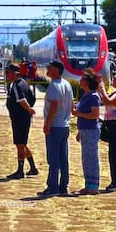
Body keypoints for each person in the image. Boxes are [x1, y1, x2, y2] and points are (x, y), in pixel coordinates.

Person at [37, 60, 73, 197]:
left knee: (53, 159)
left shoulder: (53, 85)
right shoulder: (67, 84)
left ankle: (52, 187)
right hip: (65, 125)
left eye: (50, 67)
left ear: (56, 70)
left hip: (55, 126)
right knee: (63, 158)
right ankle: (63, 186)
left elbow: (54, 104)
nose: (47, 69)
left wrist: (47, 123)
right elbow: (71, 104)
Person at [4, 63, 38, 179]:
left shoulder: (17, 85)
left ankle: (20, 170)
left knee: (20, 145)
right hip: (21, 118)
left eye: (8, 72)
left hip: (20, 119)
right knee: (22, 144)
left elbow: (22, 100)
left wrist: (29, 109)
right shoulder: (23, 83)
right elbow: (32, 97)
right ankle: (33, 168)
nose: (6, 75)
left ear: (15, 73)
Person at [72, 69, 102, 195]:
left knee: (91, 158)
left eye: (82, 79)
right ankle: (88, 184)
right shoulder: (86, 95)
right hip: (85, 130)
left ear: (88, 82)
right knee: (86, 159)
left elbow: (95, 115)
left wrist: (78, 113)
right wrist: (80, 131)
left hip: (91, 130)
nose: (80, 81)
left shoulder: (93, 96)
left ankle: (94, 185)